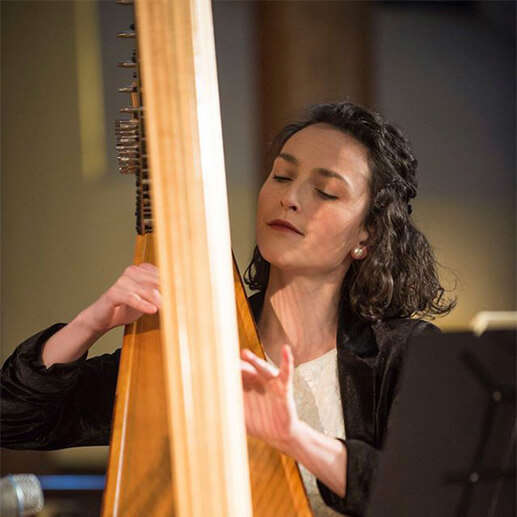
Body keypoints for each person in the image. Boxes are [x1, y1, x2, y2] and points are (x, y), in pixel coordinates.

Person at [0, 102, 454, 516]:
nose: (290, 198)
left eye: (326, 191)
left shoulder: (405, 354)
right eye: (281, 176)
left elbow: (430, 497)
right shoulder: (198, 347)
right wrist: (91, 321)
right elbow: (17, 422)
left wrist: (296, 438)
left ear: (367, 235)